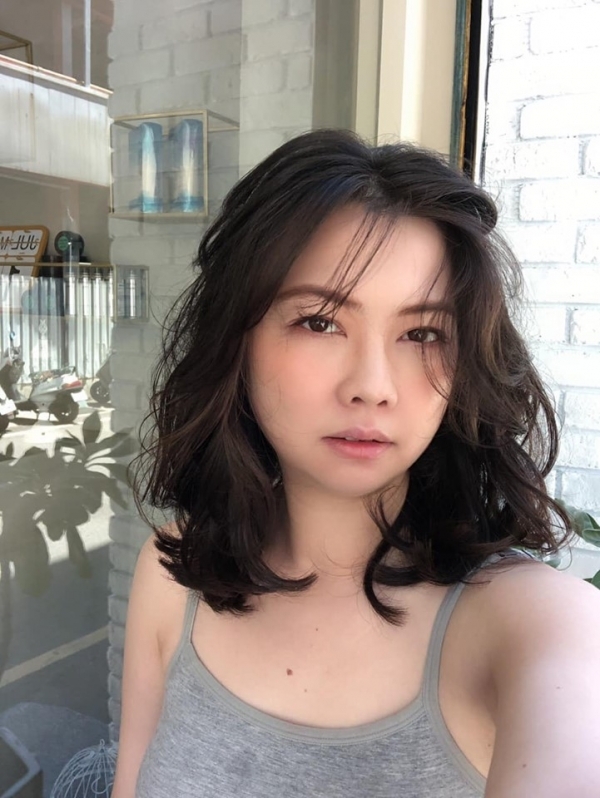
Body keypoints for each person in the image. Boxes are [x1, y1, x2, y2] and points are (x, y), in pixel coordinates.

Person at [111, 130, 600, 798]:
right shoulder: (174, 572)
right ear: (237, 342)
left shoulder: (532, 624)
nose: (373, 386)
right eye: (320, 322)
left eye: (422, 333)